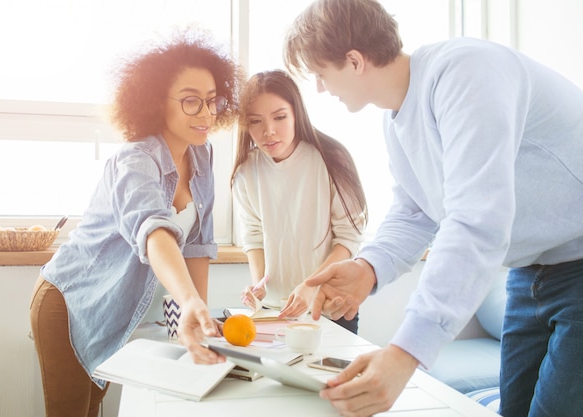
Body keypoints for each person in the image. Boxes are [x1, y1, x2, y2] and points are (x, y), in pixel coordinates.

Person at [284, 0, 583, 416]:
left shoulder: (467, 72)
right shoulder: (396, 121)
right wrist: (367, 268)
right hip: (529, 273)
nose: (319, 88)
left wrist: (405, 352)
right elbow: (415, 212)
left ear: (354, 61)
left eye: (320, 74)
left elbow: (476, 220)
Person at [29, 29, 244, 417]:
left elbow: (196, 244)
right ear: (155, 102)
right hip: (68, 300)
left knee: (93, 408)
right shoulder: (134, 161)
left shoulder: (202, 155)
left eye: (212, 101)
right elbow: (154, 232)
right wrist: (189, 299)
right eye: (191, 101)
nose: (207, 114)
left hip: (113, 308)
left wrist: (199, 316)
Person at [230, 69, 368, 333]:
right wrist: (258, 286)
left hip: (329, 307)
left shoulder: (332, 159)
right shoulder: (246, 171)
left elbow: (349, 239)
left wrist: (311, 285)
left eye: (280, 117)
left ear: (297, 114)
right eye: (256, 121)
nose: (268, 131)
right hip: (274, 312)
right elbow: (254, 237)